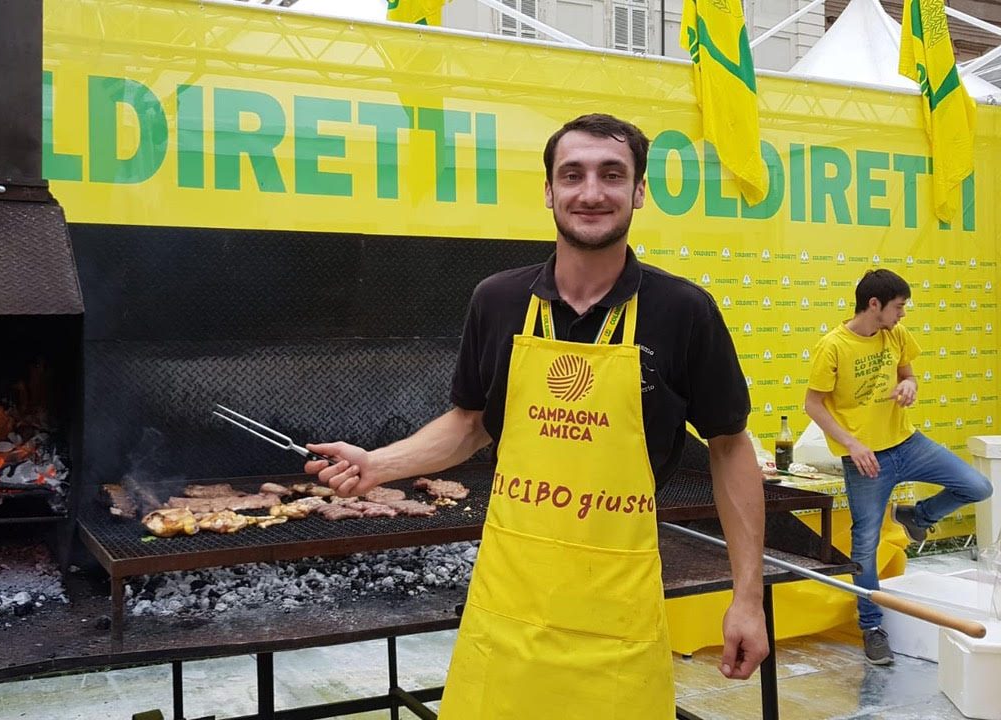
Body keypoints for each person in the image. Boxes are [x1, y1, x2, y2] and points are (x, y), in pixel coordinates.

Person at [304, 114, 768, 718]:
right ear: (549, 190)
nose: (591, 191)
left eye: (612, 174)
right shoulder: (497, 300)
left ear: (640, 191)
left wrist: (748, 598)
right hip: (508, 614)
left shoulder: (683, 311)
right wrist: (377, 464)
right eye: (571, 174)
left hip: (617, 623)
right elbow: (471, 423)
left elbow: (730, 447)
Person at [804, 269, 993, 666]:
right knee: (865, 544)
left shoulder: (896, 335)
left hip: (908, 444)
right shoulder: (833, 346)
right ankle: (872, 627)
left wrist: (910, 386)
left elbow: (908, 375)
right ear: (874, 305)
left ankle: (916, 515)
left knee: (977, 486)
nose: (902, 314)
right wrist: (852, 444)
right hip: (867, 459)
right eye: (899, 306)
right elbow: (814, 404)